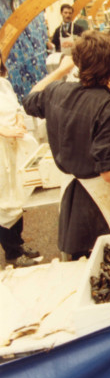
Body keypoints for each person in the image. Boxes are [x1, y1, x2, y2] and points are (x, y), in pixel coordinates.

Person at [23, 31, 110, 259]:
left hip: (70, 195)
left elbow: (30, 98)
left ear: (78, 63)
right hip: (98, 203)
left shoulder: (56, 91)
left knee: (81, 263)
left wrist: (61, 71)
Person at [0, 57, 40, 267]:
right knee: (3, 202)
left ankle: (18, 243)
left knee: (18, 196)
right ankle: (12, 253)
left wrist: (18, 122)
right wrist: (3, 130)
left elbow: (15, 109)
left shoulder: (3, 82)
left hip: (13, 146)